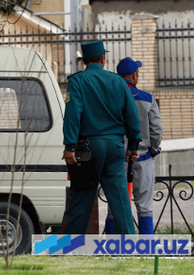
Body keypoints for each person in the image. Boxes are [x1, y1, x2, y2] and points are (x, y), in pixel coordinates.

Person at [60, 40, 141, 235]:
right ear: (103, 58)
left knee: (80, 199)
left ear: (84, 61)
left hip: (87, 149)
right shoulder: (118, 81)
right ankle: (129, 247)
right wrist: (134, 145)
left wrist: (69, 146)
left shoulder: (77, 81)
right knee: (121, 200)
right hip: (114, 146)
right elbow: (131, 115)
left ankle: (65, 249)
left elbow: (73, 113)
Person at [103, 57, 163, 235]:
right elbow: (156, 129)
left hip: (117, 160)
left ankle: (111, 248)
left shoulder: (108, 100)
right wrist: (153, 149)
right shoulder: (147, 99)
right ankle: (146, 249)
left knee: (115, 206)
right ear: (134, 76)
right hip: (143, 158)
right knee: (144, 206)